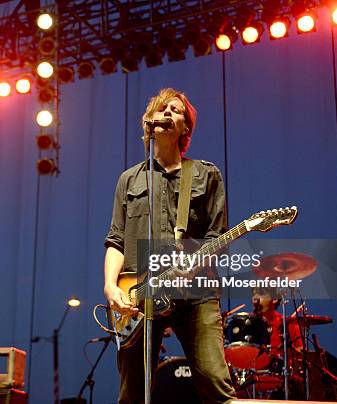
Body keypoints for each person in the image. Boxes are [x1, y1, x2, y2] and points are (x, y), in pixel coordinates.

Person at [104, 88, 235, 403]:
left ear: (185, 126)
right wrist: (110, 286)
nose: (165, 114)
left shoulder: (206, 174)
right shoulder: (129, 180)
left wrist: (190, 268)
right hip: (138, 295)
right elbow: (116, 239)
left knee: (216, 384)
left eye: (174, 110)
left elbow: (218, 238)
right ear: (148, 121)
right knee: (132, 394)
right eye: (160, 109)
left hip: (195, 294)